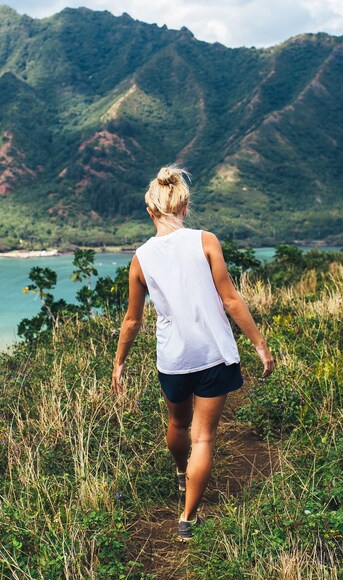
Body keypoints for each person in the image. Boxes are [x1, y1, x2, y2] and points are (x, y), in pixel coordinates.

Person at [111, 164, 275, 541]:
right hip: (213, 355)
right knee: (204, 438)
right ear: (184, 208)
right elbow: (232, 301)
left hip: (173, 359)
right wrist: (259, 345)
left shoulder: (141, 257)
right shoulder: (206, 240)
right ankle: (187, 519)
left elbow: (132, 321)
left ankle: (180, 473)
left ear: (151, 211)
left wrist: (119, 364)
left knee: (178, 425)